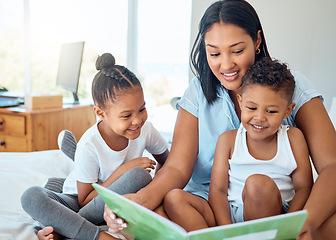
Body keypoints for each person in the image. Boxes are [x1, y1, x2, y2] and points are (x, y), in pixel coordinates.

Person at [105, 1, 336, 239]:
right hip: (213, 210)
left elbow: (331, 166)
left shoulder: (290, 87)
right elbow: (176, 168)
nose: (226, 65)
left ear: (257, 41)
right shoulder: (198, 92)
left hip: (276, 206)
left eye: (237, 51)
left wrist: (306, 220)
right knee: (144, 218)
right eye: (214, 53)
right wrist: (138, 201)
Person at [21, 53, 169, 240]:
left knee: (140, 176)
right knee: (31, 196)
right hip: (79, 203)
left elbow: (170, 163)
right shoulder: (89, 143)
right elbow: (84, 202)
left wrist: (153, 189)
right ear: (101, 113)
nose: (137, 120)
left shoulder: (146, 130)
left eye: (142, 109)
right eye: (126, 116)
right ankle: (96, 236)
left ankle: (65, 229)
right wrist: (122, 171)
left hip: (116, 202)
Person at [209, 57, 313, 226]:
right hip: (235, 214)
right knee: (176, 199)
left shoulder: (293, 138)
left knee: (258, 184)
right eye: (251, 108)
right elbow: (217, 191)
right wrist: (226, 227)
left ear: (288, 110)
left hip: (277, 215)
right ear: (241, 102)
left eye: (271, 111)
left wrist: (287, 225)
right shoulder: (228, 140)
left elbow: (304, 189)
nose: (259, 118)